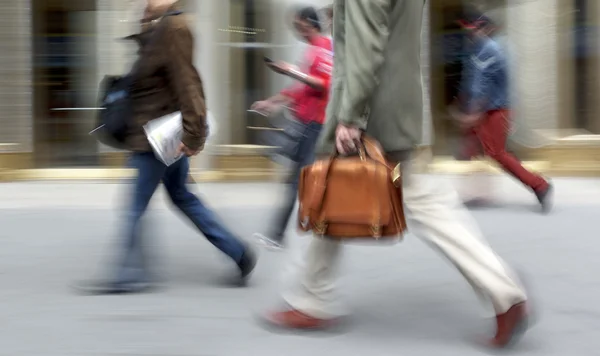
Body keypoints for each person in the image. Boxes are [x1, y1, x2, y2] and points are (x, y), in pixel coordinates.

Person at [261, 0, 532, 348]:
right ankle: (312, 298)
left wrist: (351, 116)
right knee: (338, 195)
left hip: (371, 111)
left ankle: (504, 292)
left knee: (408, 198)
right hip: (395, 105)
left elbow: (364, 45)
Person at [76, 0, 256, 294]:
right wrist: (145, 23)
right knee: (183, 197)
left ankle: (128, 274)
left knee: (134, 207)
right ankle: (238, 253)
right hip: (159, 135)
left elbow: (188, 84)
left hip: (157, 138)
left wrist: (194, 134)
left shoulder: (175, 27)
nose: (145, 3)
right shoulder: (161, 28)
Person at [251, 6, 333, 250]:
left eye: (298, 26)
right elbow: (302, 89)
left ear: (309, 23)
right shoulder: (312, 50)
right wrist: (272, 102)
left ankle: (278, 235)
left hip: (315, 124)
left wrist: (293, 72)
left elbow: (325, 85)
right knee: (299, 179)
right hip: (307, 123)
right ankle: (306, 227)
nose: (296, 31)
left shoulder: (323, 48)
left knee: (296, 180)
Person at [452, 13, 553, 212]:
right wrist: (463, 105)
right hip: (487, 109)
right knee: (470, 148)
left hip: (494, 111)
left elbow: (483, 86)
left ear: (484, 28)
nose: (468, 33)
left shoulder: (489, 50)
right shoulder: (478, 49)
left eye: (472, 29)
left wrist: (472, 113)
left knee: (496, 153)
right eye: (467, 29)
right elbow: (472, 82)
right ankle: (479, 192)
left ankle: (540, 185)